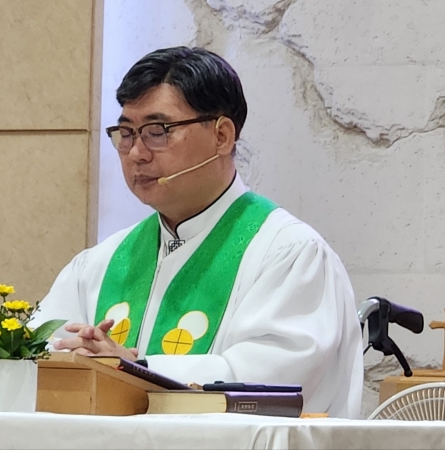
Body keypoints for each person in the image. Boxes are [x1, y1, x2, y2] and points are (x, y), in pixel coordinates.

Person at [34, 46, 364, 418]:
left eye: (157, 132)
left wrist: (136, 369)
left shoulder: (288, 253)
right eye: (126, 133)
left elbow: (272, 381)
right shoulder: (102, 262)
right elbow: (37, 353)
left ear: (222, 136)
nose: (137, 153)